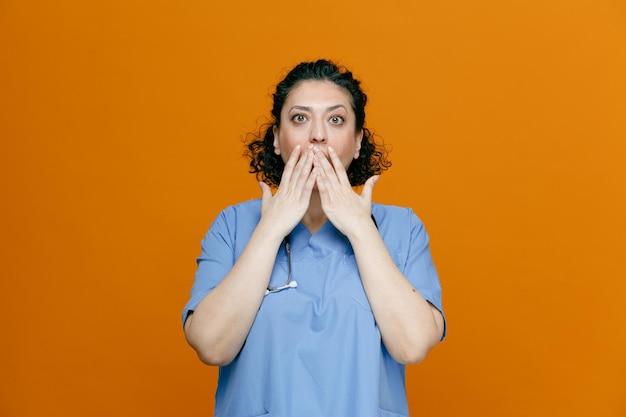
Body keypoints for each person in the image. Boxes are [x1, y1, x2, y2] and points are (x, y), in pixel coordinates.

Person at [182, 59, 446, 417]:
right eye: (300, 118)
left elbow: (412, 346)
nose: (318, 135)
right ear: (277, 139)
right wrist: (272, 227)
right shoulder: (233, 225)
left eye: (336, 119)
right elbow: (212, 346)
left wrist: (359, 228)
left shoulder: (402, 228)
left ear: (357, 142)